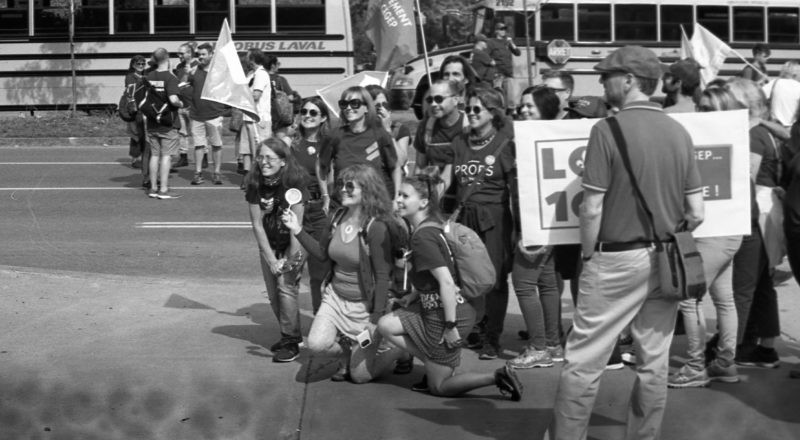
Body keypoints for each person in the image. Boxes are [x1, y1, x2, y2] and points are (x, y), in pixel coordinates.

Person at [551, 46, 704, 440]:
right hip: (666, 259)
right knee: (654, 362)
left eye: (607, 76)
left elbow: (591, 208)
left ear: (630, 81)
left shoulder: (606, 130)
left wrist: (588, 255)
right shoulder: (679, 131)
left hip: (615, 258)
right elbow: (697, 211)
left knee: (584, 360)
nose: (602, 82)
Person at [376, 172, 524, 400]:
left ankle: (497, 376)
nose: (398, 200)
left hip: (447, 316)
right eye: (398, 195)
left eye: (405, 196)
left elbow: (446, 281)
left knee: (440, 387)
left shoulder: (422, 238)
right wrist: (414, 295)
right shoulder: (429, 228)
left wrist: (450, 326)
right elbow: (436, 275)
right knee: (386, 325)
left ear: (423, 202)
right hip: (433, 309)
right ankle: (433, 361)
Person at [281, 164, 396, 382]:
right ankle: (346, 353)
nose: (343, 189)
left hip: (364, 308)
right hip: (335, 299)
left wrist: (376, 318)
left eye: (350, 186)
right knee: (316, 344)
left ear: (367, 191)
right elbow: (322, 254)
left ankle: (399, 350)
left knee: (359, 377)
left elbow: (382, 276)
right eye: (342, 185)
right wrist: (297, 229)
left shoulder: (376, 227)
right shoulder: (336, 218)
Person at [667, 86, 744, 388]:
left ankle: (696, 366)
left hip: (717, 231)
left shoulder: (733, 137)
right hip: (720, 230)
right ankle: (725, 363)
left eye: (709, 109)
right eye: (701, 107)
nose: (702, 113)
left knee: (689, 299)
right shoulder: (720, 137)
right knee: (723, 299)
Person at [448, 85, 516, 360]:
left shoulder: (505, 142)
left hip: (494, 218)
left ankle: (493, 336)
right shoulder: (460, 141)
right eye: (468, 108)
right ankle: (474, 326)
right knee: (467, 276)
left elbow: (515, 190)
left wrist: (521, 229)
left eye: (477, 109)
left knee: (495, 279)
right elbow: (449, 182)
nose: (471, 113)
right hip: (465, 217)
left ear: (493, 112)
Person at [726, 78, 782, 369]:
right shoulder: (762, 131)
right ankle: (764, 348)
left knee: (745, 286)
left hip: (755, 213)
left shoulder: (752, 134)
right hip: (765, 211)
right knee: (761, 285)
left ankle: (731, 348)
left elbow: (746, 177)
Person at [507, 85, 562, 369]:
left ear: (545, 109)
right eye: (522, 105)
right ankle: (552, 344)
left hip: (537, 223)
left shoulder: (539, 139)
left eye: (530, 106)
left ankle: (538, 348)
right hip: (547, 223)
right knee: (547, 283)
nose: (523, 110)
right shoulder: (541, 136)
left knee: (524, 284)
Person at [246, 138, 310, 363]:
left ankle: (290, 341)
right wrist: (272, 259)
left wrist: (290, 261)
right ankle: (291, 334)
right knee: (274, 295)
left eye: (270, 158)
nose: (264, 162)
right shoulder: (254, 182)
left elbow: (297, 226)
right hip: (269, 244)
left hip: (295, 241)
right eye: (260, 157)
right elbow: (257, 224)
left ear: (283, 161)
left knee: (286, 286)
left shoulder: (295, 183)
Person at [317, 86, 401, 210]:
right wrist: (325, 196)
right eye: (344, 104)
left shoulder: (380, 135)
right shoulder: (334, 136)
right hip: (344, 204)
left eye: (354, 103)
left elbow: (395, 166)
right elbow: (321, 165)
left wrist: (396, 197)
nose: (348, 108)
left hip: (375, 204)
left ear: (367, 107)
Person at [291, 96, 331, 313]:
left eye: (313, 112)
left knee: (319, 273)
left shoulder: (330, 144)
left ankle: (319, 319)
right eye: (304, 112)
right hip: (295, 210)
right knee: (292, 270)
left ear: (323, 117)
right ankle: (290, 327)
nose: (307, 116)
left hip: (319, 210)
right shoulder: (291, 143)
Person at [145, 48, 185, 200]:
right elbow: (173, 99)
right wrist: (181, 104)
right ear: (167, 58)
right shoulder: (170, 77)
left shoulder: (149, 76)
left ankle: (153, 188)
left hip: (152, 120)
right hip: (168, 121)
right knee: (166, 156)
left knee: (154, 155)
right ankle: (163, 189)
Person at [188, 43, 227, 186]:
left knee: (216, 145)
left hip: (214, 114)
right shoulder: (194, 71)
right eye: (199, 54)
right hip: (197, 115)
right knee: (199, 145)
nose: (201, 57)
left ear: (211, 55)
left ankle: (216, 172)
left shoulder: (219, 71)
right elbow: (186, 87)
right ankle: (198, 173)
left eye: (204, 54)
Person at [366, 85, 411, 177]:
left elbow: (400, 161)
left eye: (385, 105)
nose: (383, 110)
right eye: (377, 106)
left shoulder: (398, 129)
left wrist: (387, 130)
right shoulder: (360, 131)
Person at [485, 21, 521, 114]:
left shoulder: (507, 42)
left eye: (505, 29)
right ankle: (498, 114)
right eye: (501, 29)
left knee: (511, 99)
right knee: (498, 97)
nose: (504, 31)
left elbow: (518, 53)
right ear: (496, 31)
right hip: (497, 74)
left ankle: (511, 115)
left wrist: (512, 42)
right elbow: (485, 55)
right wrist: (491, 62)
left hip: (508, 73)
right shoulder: (491, 42)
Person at [173, 42, 197, 168]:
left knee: (197, 132)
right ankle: (183, 156)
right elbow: (179, 83)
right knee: (182, 132)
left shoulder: (198, 65)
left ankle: (203, 156)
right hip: (181, 104)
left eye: (181, 53)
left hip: (194, 105)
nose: (179, 55)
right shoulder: (179, 66)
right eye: (178, 53)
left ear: (189, 53)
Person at [124, 55, 147, 172]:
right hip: (134, 109)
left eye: (143, 64)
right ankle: (135, 159)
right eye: (139, 64)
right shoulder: (130, 77)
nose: (141, 66)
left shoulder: (145, 76)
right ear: (133, 65)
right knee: (135, 134)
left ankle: (143, 157)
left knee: (143, 134)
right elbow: (130, 93)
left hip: (144, 108)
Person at [769, 61, 800, 128]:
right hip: (794, 128)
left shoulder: (774, 83)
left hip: (775, 127)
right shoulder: (798, 86)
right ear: (794, 74)